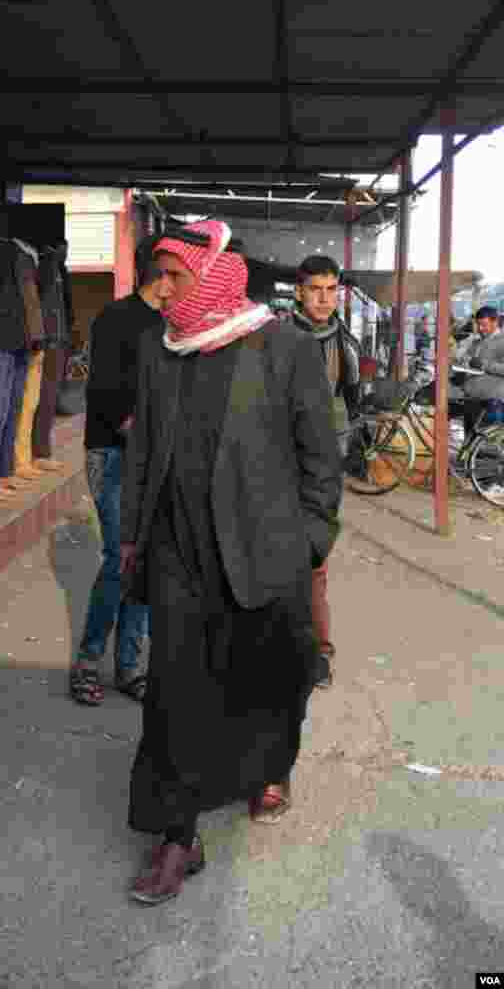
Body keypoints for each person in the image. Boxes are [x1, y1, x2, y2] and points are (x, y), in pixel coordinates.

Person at [121, 220, 342, 906]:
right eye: (156, 275)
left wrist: (308, 542)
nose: (162, 290)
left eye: (174, 275)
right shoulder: (159, 352)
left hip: (263, 554)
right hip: (178, 556)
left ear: (213, 274)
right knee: (174, 694)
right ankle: (175, 836)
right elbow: (143, 452)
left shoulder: (282, 350)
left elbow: (320, 461)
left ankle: (266, 768)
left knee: (269, 677)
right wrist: (133, 537)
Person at [70, 235, 172, 707]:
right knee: (120, 559)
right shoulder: (117, 318)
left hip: (153, 459)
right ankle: (88, 662)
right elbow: (105, 395)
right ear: (162, 273)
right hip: (112, 454)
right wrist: (143, 436)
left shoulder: (175, 324)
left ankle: (129, 666)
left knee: (144, 560)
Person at [290, 255, 361, 690]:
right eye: (315, 288)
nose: (323, 298)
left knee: (316, 558)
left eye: (331, 289)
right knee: (280, 555)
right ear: (299, 291)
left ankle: (318, 648)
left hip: (326, 467)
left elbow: (351, 401)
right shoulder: (276, 338)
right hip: (284, 460)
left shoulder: (345, 343)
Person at [454, 306, 504, 436]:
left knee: (486, 446)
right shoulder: (477, 341)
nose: (480, 329)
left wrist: (483, 364)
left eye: (484, 325)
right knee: (469, 440)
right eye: (478, 325)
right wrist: (462, 363)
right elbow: (467, 359)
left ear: (495, 322)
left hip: (491, 400)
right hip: (471, 398)